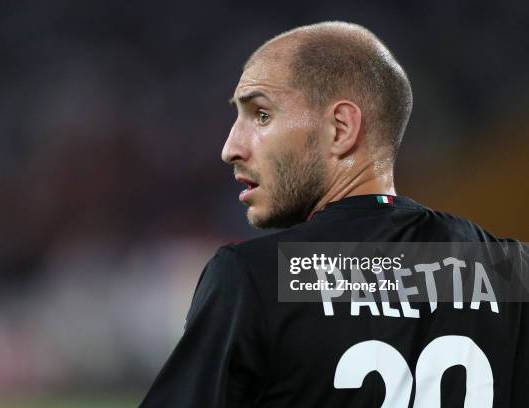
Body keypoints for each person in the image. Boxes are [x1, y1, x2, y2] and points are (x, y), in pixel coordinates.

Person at [140, 21, 528, 407]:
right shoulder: (510, 273)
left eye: (261, 115)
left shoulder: (254, 278)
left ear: (341, 128)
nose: (231, 147)